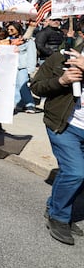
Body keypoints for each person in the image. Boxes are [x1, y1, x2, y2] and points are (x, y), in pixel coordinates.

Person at [31, 42, 84, 245]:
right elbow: (36, 86)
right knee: (75, 172)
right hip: (64, 125)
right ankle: (59, 217)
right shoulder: (60, 57)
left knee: (75, 175)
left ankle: (54, 205)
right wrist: (61, 80)